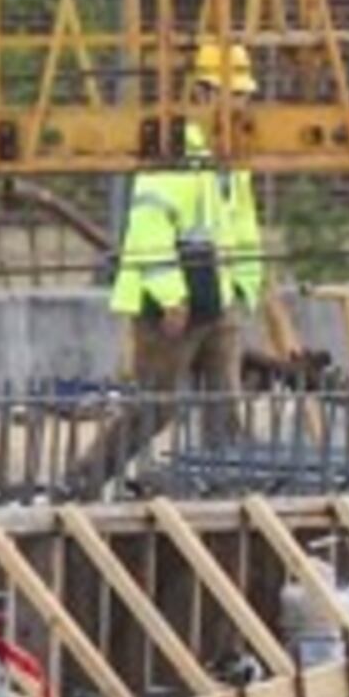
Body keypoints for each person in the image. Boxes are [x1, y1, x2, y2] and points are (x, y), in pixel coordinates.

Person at [97, 42, 271, 486]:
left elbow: (241, 226)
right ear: (204, 93)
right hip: (170, 309)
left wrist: (245, 286)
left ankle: (227, 488)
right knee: (155, 409)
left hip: (217, 299)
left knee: (224, 406)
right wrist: (171, 295)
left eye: (245, 95)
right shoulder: (173, 150)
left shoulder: (231, 156)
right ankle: (82, 482)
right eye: (234, 94)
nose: (242, 104)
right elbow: (149, 228)